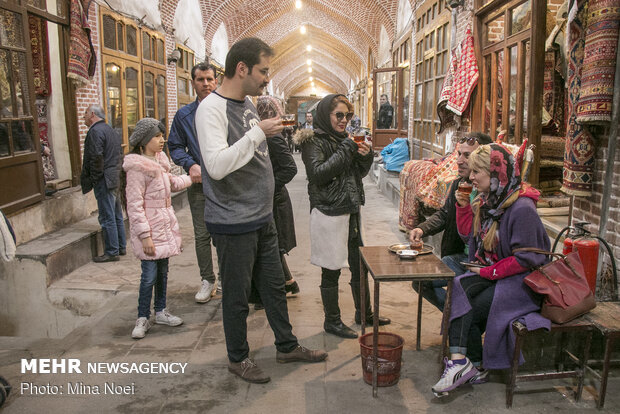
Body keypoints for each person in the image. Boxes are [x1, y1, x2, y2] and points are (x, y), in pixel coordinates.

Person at [195, 37, 327, 384]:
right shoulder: (211, 109)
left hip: (261, 216)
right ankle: (238, 358)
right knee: (237, 297)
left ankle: (286, 345)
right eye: (263, 70)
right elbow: (216, 165)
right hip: (233, 221)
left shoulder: (248, 102)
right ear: (242, 69)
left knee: (274, 287)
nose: (267, 77)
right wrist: (259, 134)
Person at [432, 143, 551, 395]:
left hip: (520, 283)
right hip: (495, 274)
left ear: (497, 173)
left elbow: (527, 260)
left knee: (469, 310)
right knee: (458, 286)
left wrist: (487, 272)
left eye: (477, 172)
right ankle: (464, 363)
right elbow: (471, 243)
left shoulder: (522, 208)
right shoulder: (489, 203)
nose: (471, 177)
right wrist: (468, 210)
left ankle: (468, 364)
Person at [294, 94, 391, 339]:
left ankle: (364, 313)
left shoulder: (343, 139)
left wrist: (365, 156)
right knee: (331, 268)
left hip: (350, 209)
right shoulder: (313, 141)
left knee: (359, 265)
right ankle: (332, 321)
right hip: (328, 212)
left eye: (348, 116)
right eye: (339, 115)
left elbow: (356, 172)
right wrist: (348, 147)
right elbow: (318, 174)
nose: (344, 120)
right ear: (326, 114)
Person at [123, 118, 192, 339]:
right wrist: (145, 236)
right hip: (150, 230)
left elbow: (172, 183)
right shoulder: (137, 168)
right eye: (157, 136)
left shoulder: (160, 161)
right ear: (144, 140)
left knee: (163, 272)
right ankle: (142, 316)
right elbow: (134, 205)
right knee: (148, 276)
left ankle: (160, 311)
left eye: (162, 135)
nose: (162, 140)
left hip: (164, 225)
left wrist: (193, 178)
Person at [409, 132, 493, 311]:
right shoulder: (459, 185)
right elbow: (445, 214)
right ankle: (455, 314)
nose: (459, 160)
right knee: (421, 281)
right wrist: (422, 229)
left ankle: (460, 318)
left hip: (483, 263)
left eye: (467, 156)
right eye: (459, 154)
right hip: (460, 257)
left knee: (465, 295)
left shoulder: (492, 194)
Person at [168, 63, 219, 304]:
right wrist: (190, 164)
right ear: (193, 83)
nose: (206, 83)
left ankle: (230, 278)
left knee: (227, 233)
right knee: (202, 235)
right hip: (199, 185)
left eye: (210, 79)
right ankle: (207, 279)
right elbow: (175, 145)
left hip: (226, 184)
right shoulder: (184, 115)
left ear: (216, 81)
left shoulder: (226, 110)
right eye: (200, 79)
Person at [80, 105, 126, 262]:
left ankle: (112, 251)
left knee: (108, 217)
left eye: (85, 113)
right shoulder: (109, 129)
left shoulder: (95, 131)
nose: (83, 116)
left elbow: (96, 157)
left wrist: (95, 178)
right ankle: (120, 246)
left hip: (105, 179)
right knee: (116, 214)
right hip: (114, 177)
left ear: (92, 114)